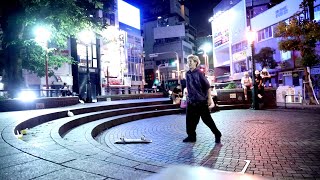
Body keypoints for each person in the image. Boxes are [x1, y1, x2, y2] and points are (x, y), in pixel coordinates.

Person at [183, 54, 222, 143]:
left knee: (207, 119)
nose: (188, 63)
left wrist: (209, 98)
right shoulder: (187, 73)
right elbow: (188, 85)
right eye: (188, 62)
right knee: (190, 120)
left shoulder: (199, 73)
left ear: (196, 62)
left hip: (201, 101)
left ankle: (217, 133)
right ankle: (191, 136)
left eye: (190, 61)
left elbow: (207, 86)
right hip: (191, 100)